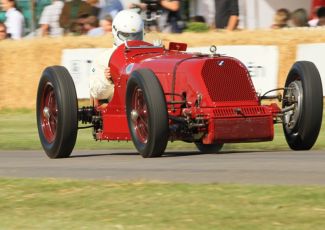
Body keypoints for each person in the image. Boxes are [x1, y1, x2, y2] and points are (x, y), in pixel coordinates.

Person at [89, 10, 144, 107]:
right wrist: (107, 79)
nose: (131, 40)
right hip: (119, 109)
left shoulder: (150, 54)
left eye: (135, 35)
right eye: (126, 35)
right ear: (115, 32)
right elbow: (96, 94)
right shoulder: (103, 58)